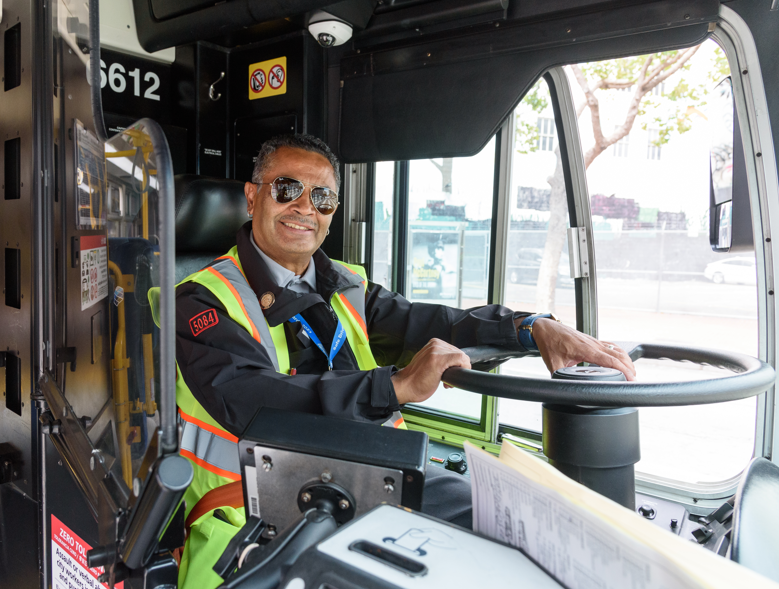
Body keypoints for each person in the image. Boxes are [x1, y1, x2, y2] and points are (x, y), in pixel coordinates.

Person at [155, 134, 635, 588]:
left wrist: (529, 328)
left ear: (333, 212)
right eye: (287, 189)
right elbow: (251, 401)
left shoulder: (343, 286)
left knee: (529, 530)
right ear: (253, 196)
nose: (305, 207)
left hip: (372, 476)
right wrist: (394, 387)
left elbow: (430, 323)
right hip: (254, 508)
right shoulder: (200, 301)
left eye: (321, 198)